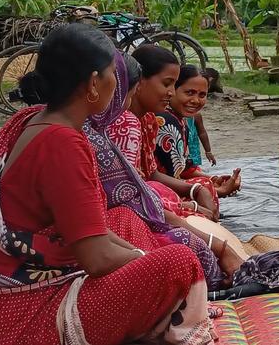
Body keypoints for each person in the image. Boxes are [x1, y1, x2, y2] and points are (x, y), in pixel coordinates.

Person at [0, 24, 213, 345]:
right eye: (114, 73)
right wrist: (145, 261)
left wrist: (139, 260)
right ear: (92, 83)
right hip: (17, 313)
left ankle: (158, 309)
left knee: (124, 220)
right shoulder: (63, 142)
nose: (119, 83)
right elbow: (96, 259)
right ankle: (173, 322)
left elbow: (92, 230)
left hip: (5, 288)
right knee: (180, 263)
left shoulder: (35, 120)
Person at [83, 53, 235, 290]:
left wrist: (196, 187)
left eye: (201, 94)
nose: (172, 93)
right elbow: (134, 193)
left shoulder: (146, 121)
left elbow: (148, 176)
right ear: (138, 83)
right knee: (181, 248)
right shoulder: (128, 124)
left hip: (130, 212)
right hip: (127, 217)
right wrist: (193, 206)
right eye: (168, 84)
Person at [155, 65, 242, 199]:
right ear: (173, 90)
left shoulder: (180, 120)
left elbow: (183, 170)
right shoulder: (166, 122)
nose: (196, 101)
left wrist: (213, 179)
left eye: (202, 95)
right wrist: (217, 190)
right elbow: (170, 177)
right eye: (189, 93)